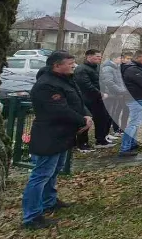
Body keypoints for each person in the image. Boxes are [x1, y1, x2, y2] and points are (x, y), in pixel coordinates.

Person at [21, 52, 92, 229]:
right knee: (41, 174)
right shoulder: (46, 85)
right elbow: (59, 110)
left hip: (63, 134)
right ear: (57, 65)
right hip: (49, 135)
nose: (73, 66)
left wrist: (87, 116)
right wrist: (82, 120)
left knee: (54, 171)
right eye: (70, 63)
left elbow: (77, 101)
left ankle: (49, 201)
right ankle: (31, 216)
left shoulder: (66, 79)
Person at [73, 49, 114, 150]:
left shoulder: (98, 68)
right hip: (87, 100)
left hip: (99, 100)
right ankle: (82, 144)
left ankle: (100, 140)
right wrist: (100, 94)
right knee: (85, 121)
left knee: (102, 119)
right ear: (89, 57)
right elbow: (86, 85)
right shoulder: (81, 69)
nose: (99, 58)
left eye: (100, 57)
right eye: (97, 56)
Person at [101, 51, 128, 135]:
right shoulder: (108, 68)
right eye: (120, 58)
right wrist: (120, 91)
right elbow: (109, 82)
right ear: (114, 59)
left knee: (113, 113)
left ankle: (109, 133)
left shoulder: (116, 67)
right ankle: (105, 134)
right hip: (111, 95)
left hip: (117, 94)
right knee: (109, 114)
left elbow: (119, 81)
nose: (122, 60)